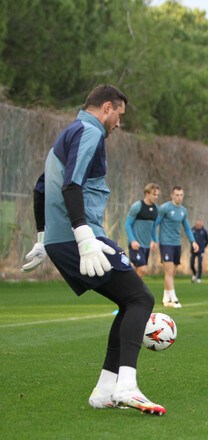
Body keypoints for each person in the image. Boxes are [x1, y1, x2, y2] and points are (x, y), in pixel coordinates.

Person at [20, 85, 165, 414]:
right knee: (141, 299)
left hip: (64, 239)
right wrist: (85, 238)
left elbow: (41, 187)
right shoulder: (89, 131)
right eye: (119, 117)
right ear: (107, 107)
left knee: (128, 301)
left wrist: (44, 238)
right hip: (81, 239)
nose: (118, 124)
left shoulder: (68, 132)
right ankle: (126, 386)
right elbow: (71, 185)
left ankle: (104, 390)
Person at [154, 186, 198, 308]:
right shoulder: (165, 208)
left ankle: (165, 298)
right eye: (177, 195)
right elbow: (155, 224)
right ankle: (174, 299)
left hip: (176, 243)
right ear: (172, 195)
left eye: (181, 195)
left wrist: (193, 241)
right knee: (168, 271)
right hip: (165, 243)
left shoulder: (183, 210)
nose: (179, 197)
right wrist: (154, 240)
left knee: (172, 272)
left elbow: (187, 227)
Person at [124, 183, 159, 278]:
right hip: (136, 245)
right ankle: (136, 291)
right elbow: (127, 225)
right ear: (147, 194)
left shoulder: (156, 209)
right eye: (154, 194)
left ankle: (129, 290)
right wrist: (132, 240)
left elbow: (153, 227)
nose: (156, 197)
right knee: (142, 268)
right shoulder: (137, 206)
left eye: (157, 195)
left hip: (146, 245)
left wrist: (155, 241)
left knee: (138, 270)